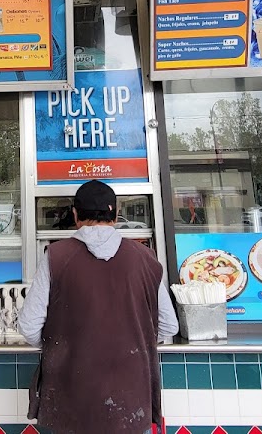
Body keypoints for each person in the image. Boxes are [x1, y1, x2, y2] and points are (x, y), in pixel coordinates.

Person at [18, 180, 179, 434]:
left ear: (75, 215)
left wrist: (63, 345)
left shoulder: (56, 256)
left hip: (72, 404)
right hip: (132, 405)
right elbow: (169, 326)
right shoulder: (146, 258)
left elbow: (28, 326)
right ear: (115, 214)